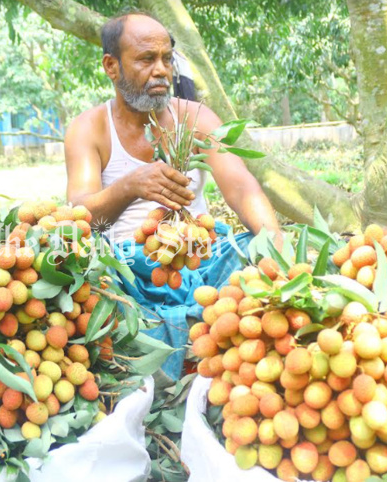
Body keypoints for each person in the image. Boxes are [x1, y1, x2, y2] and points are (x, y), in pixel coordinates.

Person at [64, 11, 281, 378]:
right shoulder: (89, 128)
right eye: (147, 59)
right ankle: (172, 354)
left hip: (197, 258)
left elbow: (241, 187)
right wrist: (131, 186)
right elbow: (80, 214)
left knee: (249, 249)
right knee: (85, 281)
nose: (162, 69)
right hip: (127, 271)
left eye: (167, 58)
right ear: (111, 66)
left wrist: (277, 246)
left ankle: (208, 339)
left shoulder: (196, 118)